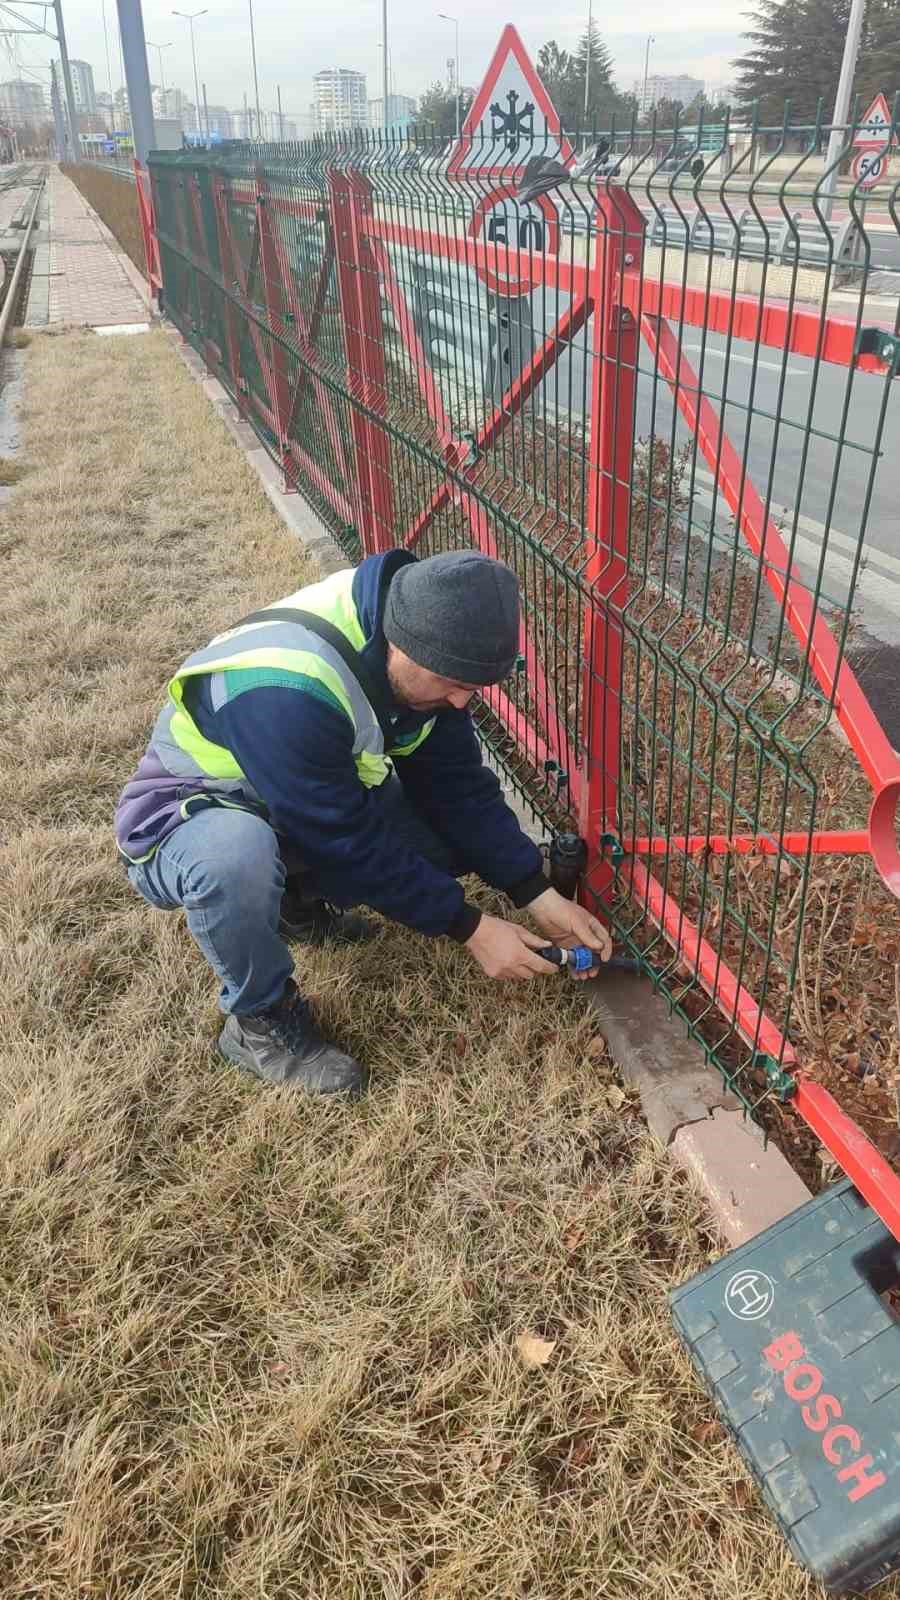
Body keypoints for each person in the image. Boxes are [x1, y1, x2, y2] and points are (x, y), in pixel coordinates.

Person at [115, 548, 611, 1097]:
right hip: (191, 815)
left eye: (472, 686)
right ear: (402, 646)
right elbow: (343, 837)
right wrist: (469, 927)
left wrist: (536, 893)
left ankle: (295, 905)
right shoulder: (287, 689)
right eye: (451, 682)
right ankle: (259, 1022)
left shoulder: (423, 635)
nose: (461, 699)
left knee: (435, 841)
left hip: (301, 800)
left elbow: (457, 787)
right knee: (236, 860)